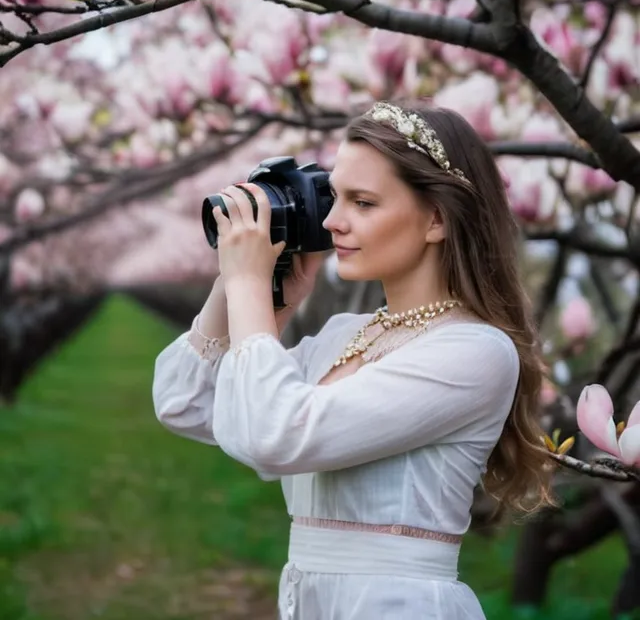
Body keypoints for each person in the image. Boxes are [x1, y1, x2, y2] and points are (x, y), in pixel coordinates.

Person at [152, 100, 553, 619]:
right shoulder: (345, 334)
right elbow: (188, 404)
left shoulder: (475, 352)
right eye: (334, 197)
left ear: (435, 219)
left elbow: (276, 436)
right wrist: (247, 292)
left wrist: (250, 283)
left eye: (362, 203)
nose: (334, 221)